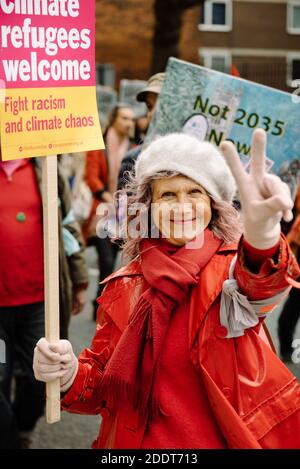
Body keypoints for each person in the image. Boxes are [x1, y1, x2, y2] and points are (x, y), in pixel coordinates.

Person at [33, 129, 300, 449]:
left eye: (194, 193)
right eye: (168, 195)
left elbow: (262, 283)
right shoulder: (125, 284)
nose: (181, 206)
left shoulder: (231, 273)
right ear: (149, 206)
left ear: (213, 204)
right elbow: (103, 388)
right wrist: (69, 373)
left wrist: (263, 237)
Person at [0, 151, 88, 449]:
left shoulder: (44, 168)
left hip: (39, 305)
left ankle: (21, 427)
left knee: (43, 381)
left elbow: (67, 225)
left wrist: (79, 279)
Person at [83, 104, 135, 319]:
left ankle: (106, 305)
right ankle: (99, 306)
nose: (128, 123)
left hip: (125, 215)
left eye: (131, 119)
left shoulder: (134, 147)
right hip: (102, 212)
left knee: (115, 264)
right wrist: (107, 197)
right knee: (105, 261)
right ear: (114, 119)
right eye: (124, 118)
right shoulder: (99, 145)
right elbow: (91, 177)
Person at [118, 72, 165, 190]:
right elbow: (124, 207)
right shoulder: (133, 160)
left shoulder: (200, 156)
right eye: (149, 106)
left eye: (162, 104)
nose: (152, 113)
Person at [278, 184, 300, 362]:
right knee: (294, 304)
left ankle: (286, 349)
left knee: (294, 305)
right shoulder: (293, 188)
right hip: (295, 254)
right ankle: (286, 350)